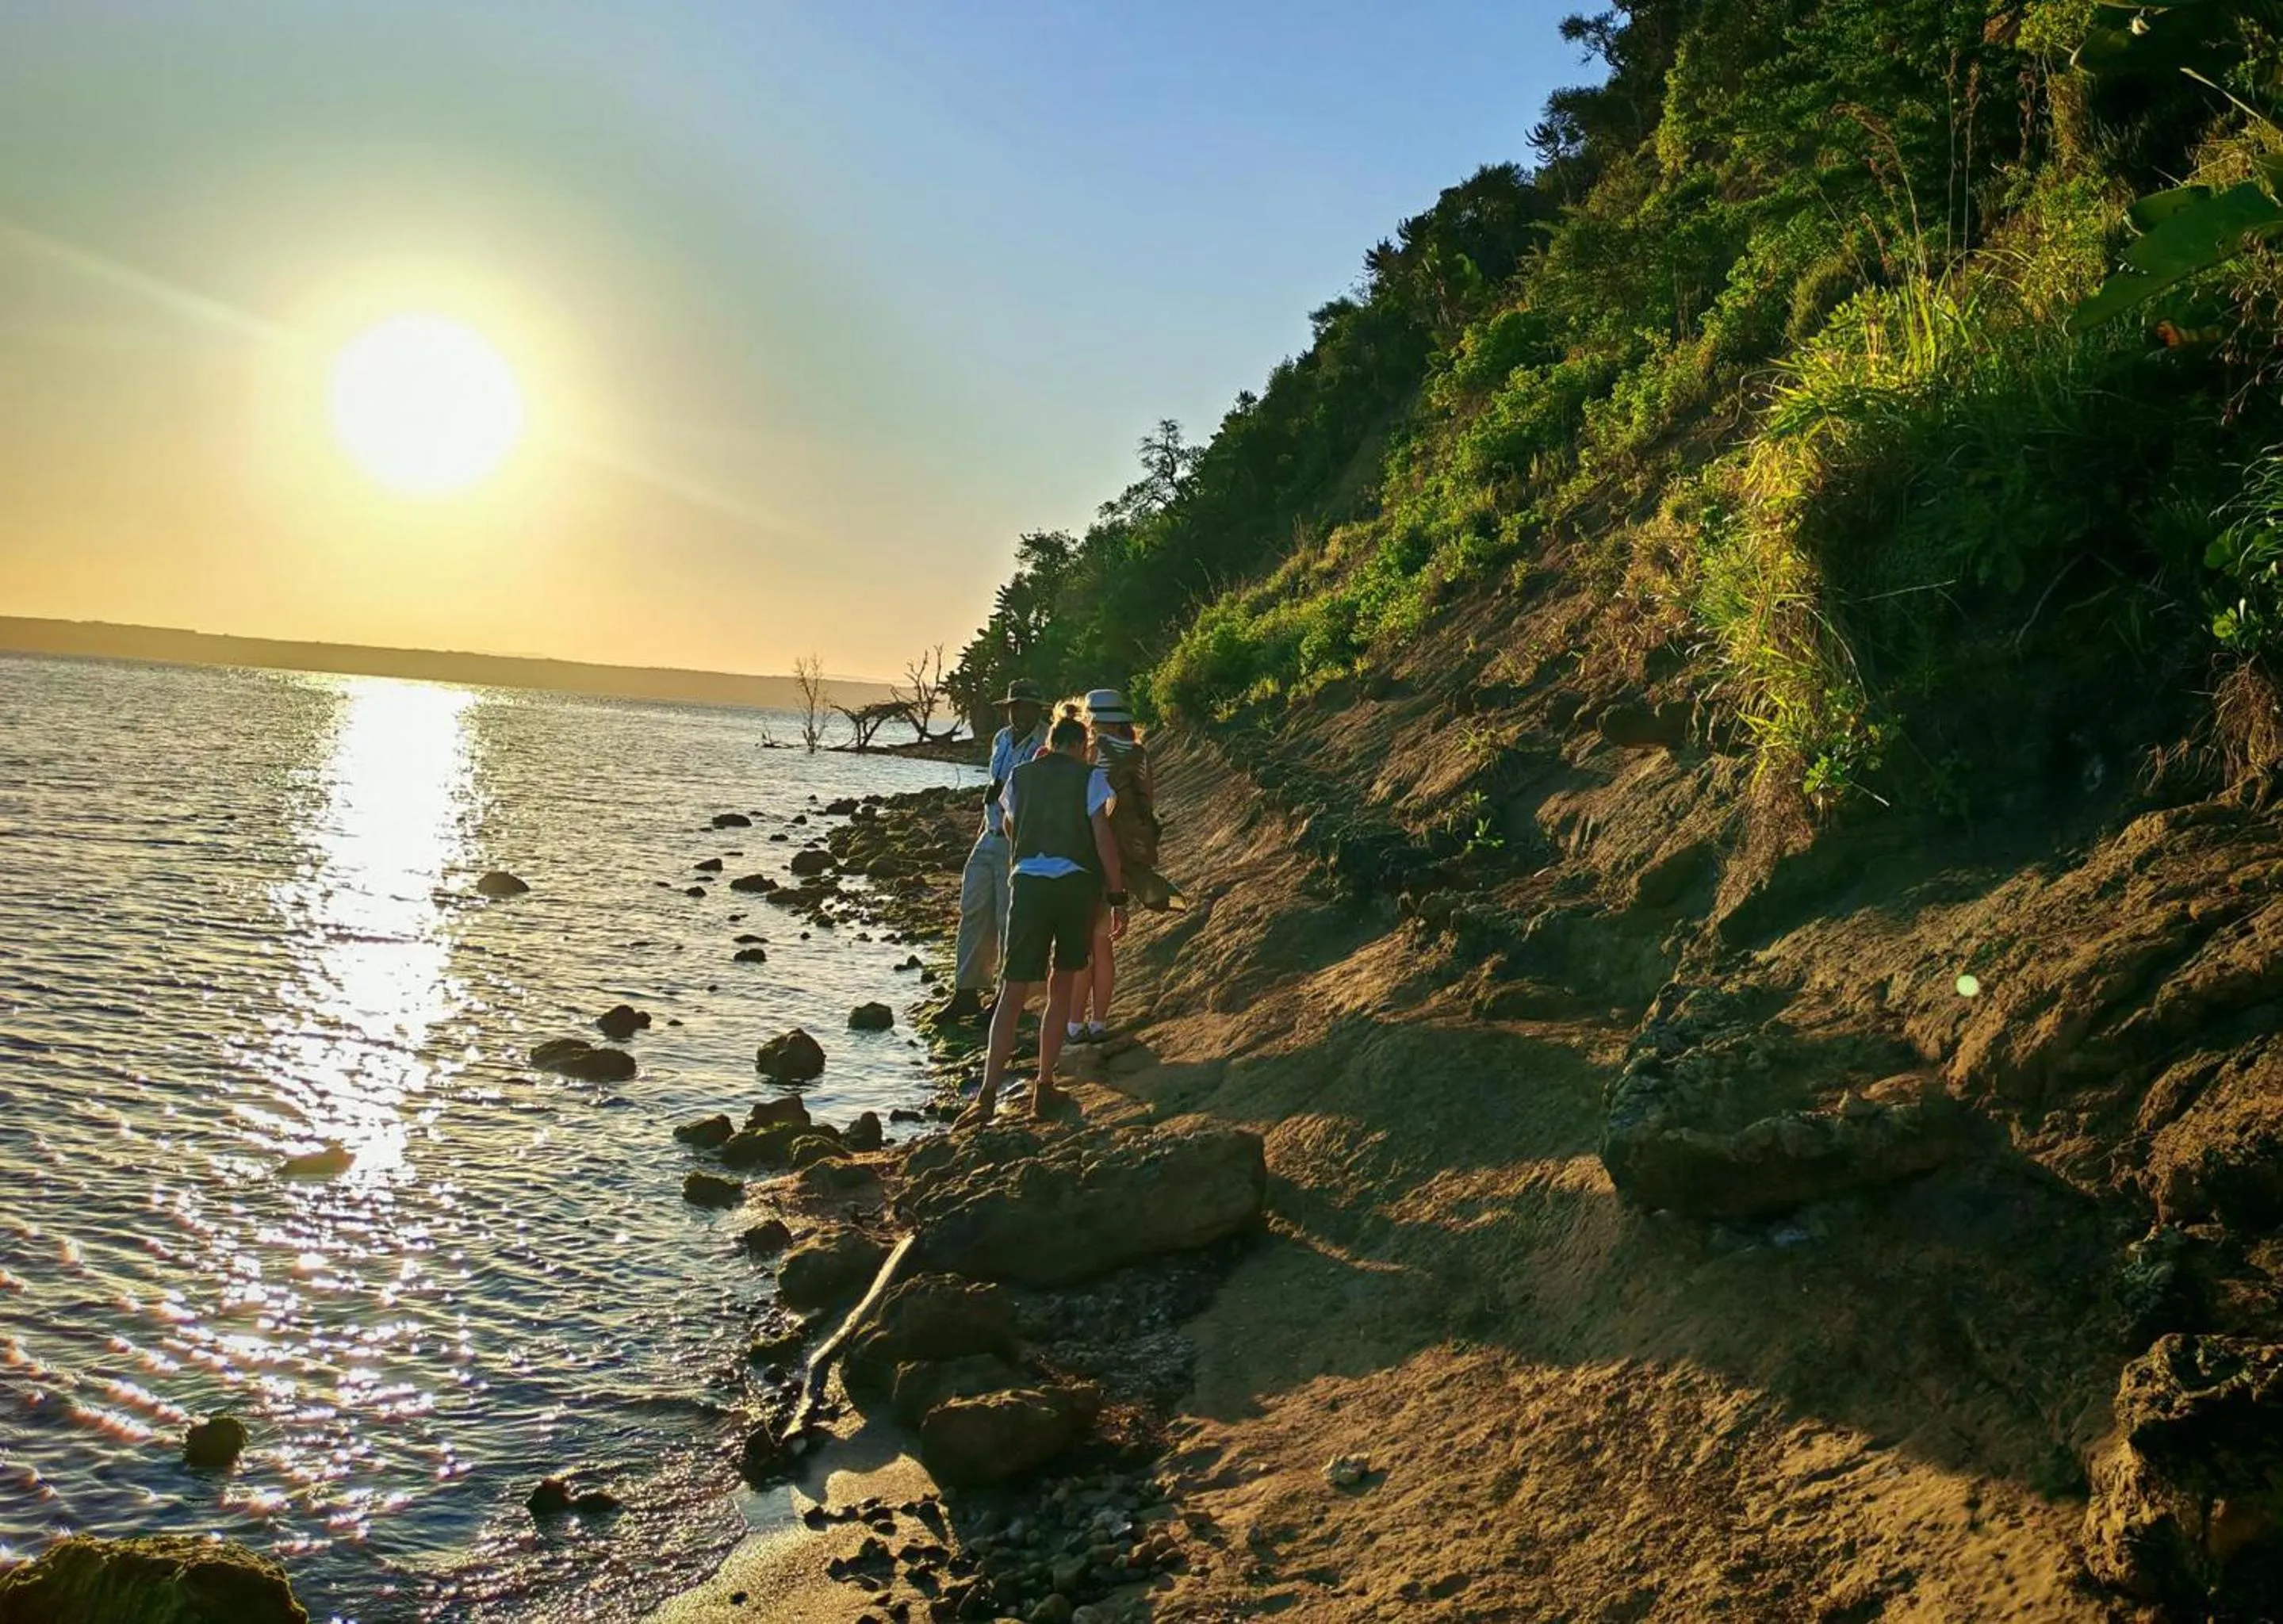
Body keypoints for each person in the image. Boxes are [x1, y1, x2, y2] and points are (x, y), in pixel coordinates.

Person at [956, 706, 1127, 1127]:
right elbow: (1102, 835)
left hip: (1028, 886)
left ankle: (988, 1093)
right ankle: (1044, 1086)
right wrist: (1117, 894)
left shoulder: (1020, 776)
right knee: (1061, 986)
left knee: (1013, 991)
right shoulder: (1090, 778)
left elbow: (1010, 824)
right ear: (1080, 745)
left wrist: (1023, 857)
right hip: (1073, 887)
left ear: (1049, 744)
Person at [952, 678, 1048, 1012]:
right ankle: (966, 990)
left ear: (1037, 710)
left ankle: (1007, 997)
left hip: (1019, 840)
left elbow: (1039, 794)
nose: (1019, 713)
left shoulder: (1045, 742)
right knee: (973, 909)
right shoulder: (1001, 739)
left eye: (1026, 707)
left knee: (1010, 918)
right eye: (1015, 707)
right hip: (989, 833)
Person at [1070, 688, 1152, 1044]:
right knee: (1103, 945)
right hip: (1122, 855)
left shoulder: (1089, 753)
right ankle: (1099, 1022)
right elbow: (1147, 804)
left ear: (1095, 720)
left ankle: (1073, 1024)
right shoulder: (1138, 753)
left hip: (1086, 852)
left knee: (1080, 946)